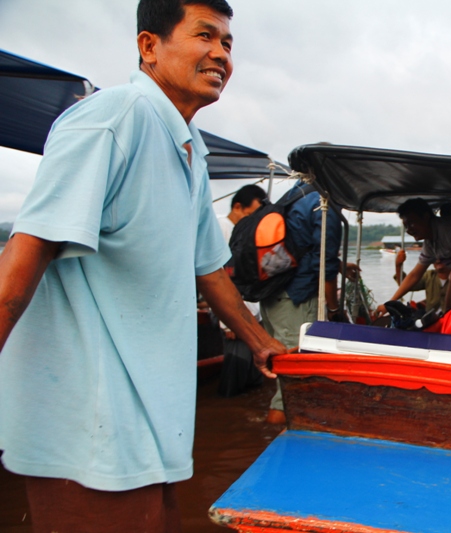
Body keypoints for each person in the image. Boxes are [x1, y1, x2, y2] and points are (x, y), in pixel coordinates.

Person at [0, 1, 286, 531]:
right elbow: (26, 252)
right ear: (148, 46)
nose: (220, 53)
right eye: (205, 35)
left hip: (152, 415)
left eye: (227, 43)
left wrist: (259, 340)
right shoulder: (114, 118)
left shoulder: (190, 149)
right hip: (87, 420)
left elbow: (209, 269)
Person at [260, 181, 342, 424]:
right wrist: (334, 308)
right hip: (296, 298)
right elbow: (324, 265)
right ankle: (279, 443)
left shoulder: (292, 196)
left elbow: (302, 248)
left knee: (283, 367)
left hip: (272, 295)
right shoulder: (323, 204)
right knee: (295, 376)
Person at [216, 184, 268, 397]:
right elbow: (220, 277)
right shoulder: (222, 229)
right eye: (252, 213)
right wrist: (226, 322)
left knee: (253, 368)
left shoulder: (243, 232)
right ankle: (228, 411)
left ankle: (246, 408)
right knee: (235, 368)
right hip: (233, 310)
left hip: (250, 308)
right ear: (238, 206)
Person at [393, 248, 451, 313]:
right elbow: (406, 285)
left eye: (442, 257)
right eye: (434, 257)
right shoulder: (429, 275)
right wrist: (398, 266)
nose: (438, 260)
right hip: (430, 322)